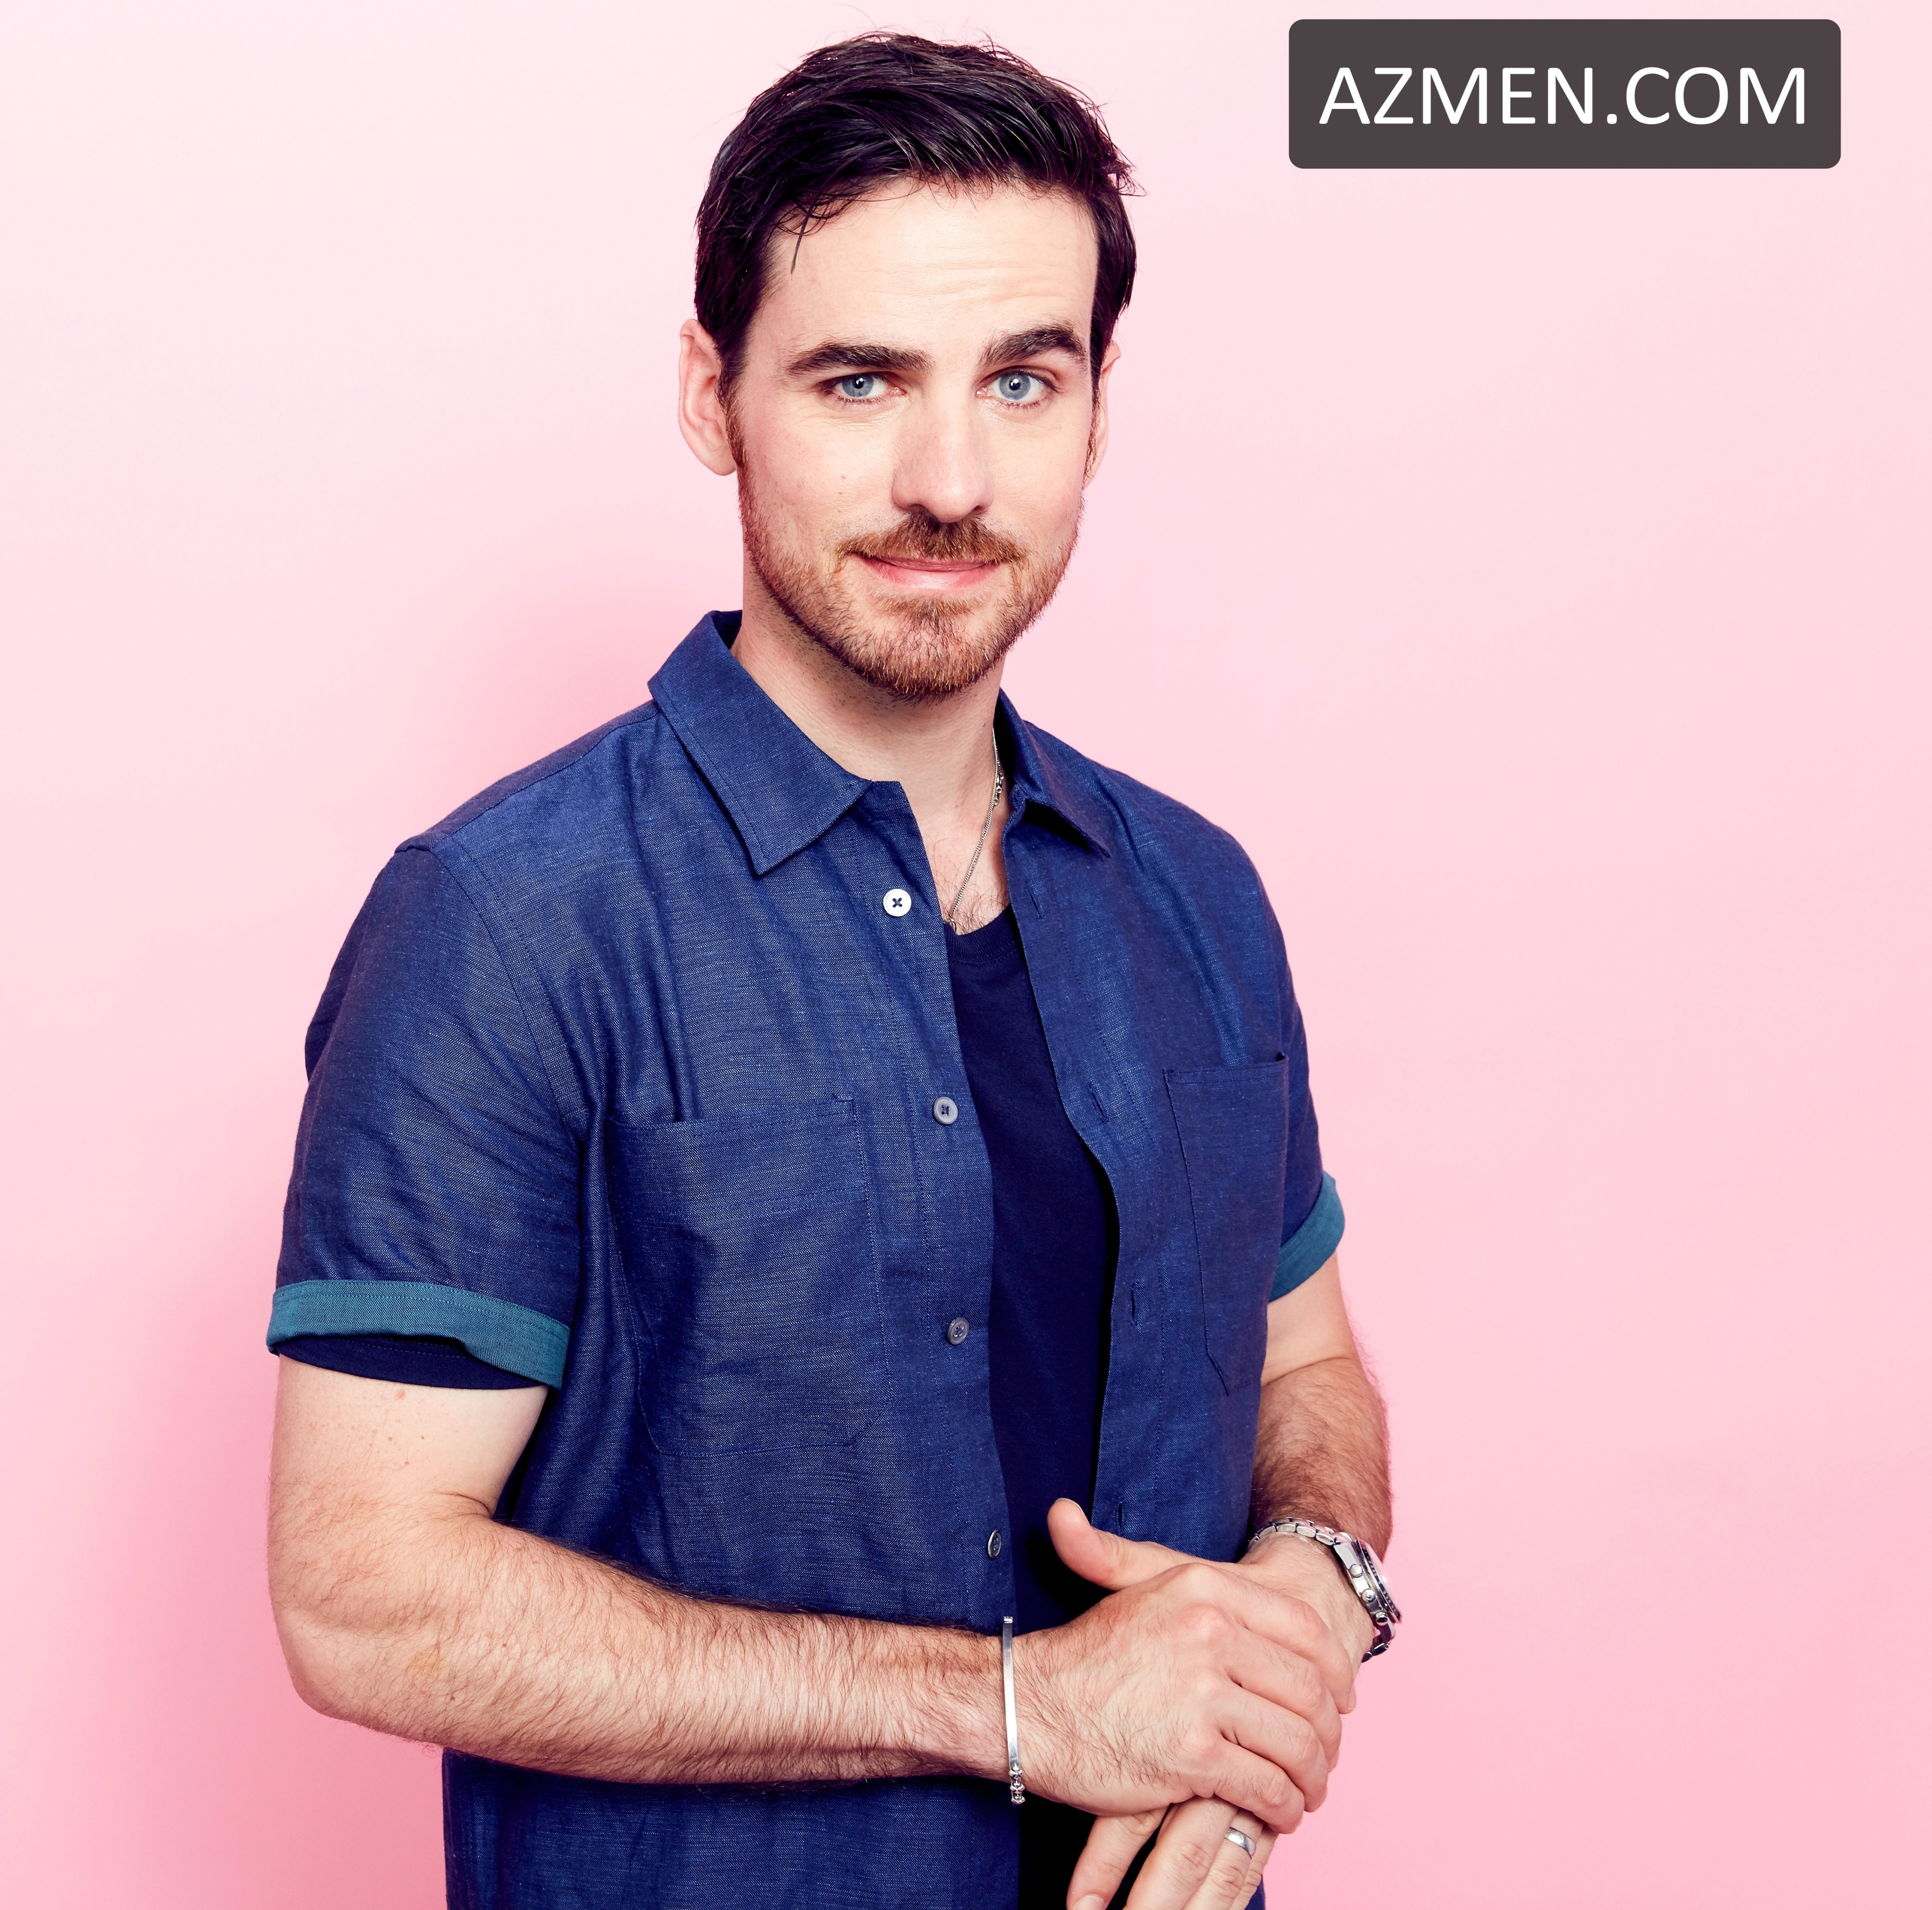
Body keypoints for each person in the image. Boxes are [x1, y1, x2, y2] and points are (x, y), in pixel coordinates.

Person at [263, 33, 1396, 1910]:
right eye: (860, 380)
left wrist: (1301, 1612)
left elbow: (1313, 1367)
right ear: (711, 395)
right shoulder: (502, 921)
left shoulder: (1200, 894)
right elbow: (362, 1596)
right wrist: (1025, 1708)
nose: (950, 480)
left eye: (1022, 380)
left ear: (1098, 404)